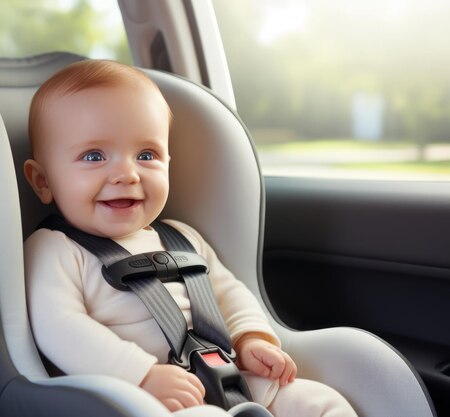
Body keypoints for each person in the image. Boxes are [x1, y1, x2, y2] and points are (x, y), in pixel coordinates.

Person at [23, 59, 358, 417]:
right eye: (93, 156)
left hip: (225, 379)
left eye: (146, 155)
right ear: (43, 182)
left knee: (320, 403)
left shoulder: (183, 239)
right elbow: (59, 327)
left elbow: (228, 294)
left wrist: (250, 337)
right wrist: (141, 375)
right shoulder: (55, 249)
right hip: (131, 400)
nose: (126, 173)